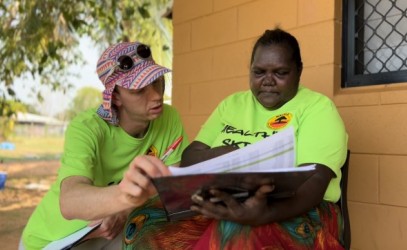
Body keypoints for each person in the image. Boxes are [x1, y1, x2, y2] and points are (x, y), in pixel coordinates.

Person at [123, 28, 348, 249]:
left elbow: (315, 182)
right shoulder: (232, 105)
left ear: (299, 71)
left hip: (300, 209)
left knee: (234, 230)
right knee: (145, 220)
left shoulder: (317, 108)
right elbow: (190, 157)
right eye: (259, 72)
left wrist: (266, 213)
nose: (268, 81)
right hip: (224, 200)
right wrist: (224, 154)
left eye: (280, 73)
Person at [20, 41, 189, 250]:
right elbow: (70, 201)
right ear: (116, 97)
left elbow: (174, 188)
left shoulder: (168, 118)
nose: (156, 96)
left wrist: (124, 209)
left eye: (157, 82)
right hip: (55, 241)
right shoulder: (87, 128)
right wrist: (125, 196)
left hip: (115, 235)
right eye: (139, 90)